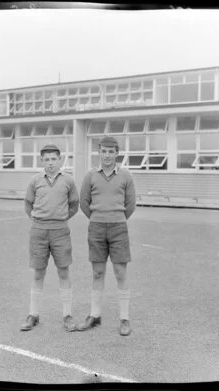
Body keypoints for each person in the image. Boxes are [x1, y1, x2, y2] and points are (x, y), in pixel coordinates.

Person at [78, 136, 136, 336]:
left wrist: (116, 217)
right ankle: (94, 315)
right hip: (96, 228)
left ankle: (124, 318)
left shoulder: (126, 176)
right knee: (97, 273)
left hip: (119, 228)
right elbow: (84, 203)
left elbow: (130, 205)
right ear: (99, 153)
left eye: (111, 152)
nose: (107, 155)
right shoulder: (90, 175)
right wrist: (98, 217)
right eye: (104, 151)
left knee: (120, 273)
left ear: (117, 153)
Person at [20, 144, 79, 332]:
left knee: (63, 272)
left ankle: (67, 316)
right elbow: (28, 203)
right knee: (38, 273)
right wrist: (38, 220)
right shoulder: (35, 180)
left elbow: (74, 205)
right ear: (42, 161)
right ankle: (33, 315)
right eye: (47, 159)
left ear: (60, 160)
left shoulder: (68, 180)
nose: (51, 163)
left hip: (60, 231)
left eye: (54, 159)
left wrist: (60, 219)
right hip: (39, 231)